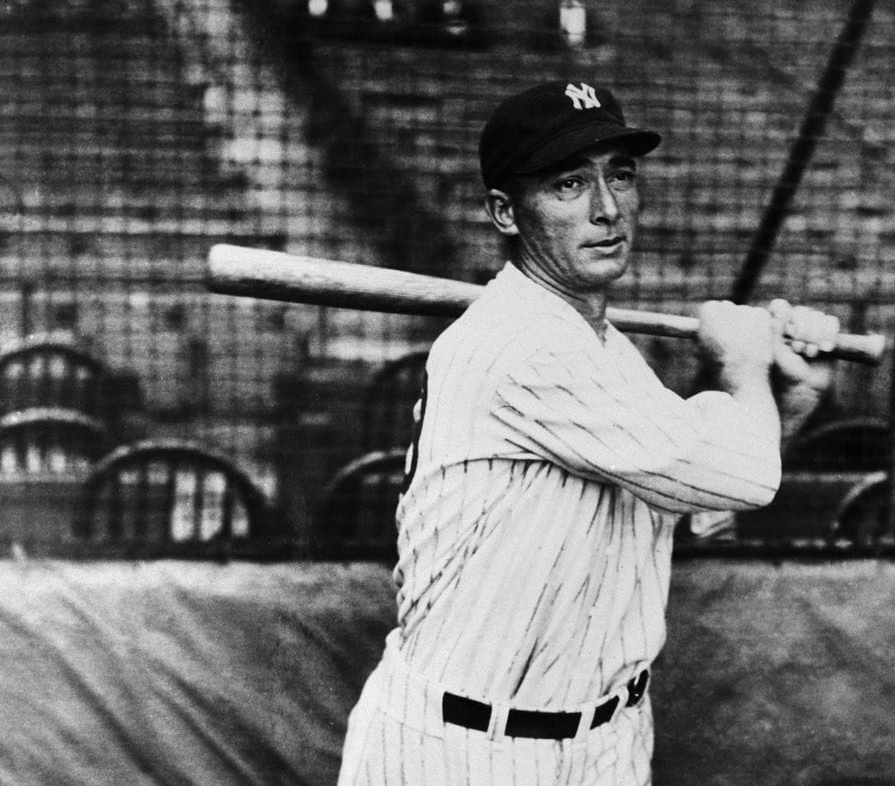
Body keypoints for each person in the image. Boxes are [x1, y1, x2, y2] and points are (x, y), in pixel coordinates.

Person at [336, 80, 837, 786]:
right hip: (467, 750)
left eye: (620, 175)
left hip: (606, 742)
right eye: (568, 184)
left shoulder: (603, 349)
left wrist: (792, 398)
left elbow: (700, 504)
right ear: (505, 212)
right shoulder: (522, 347)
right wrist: (744, 361)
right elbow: (745, 475)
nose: (607, 208)